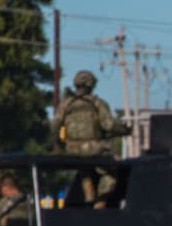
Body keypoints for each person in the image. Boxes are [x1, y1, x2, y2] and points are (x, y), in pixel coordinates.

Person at [49, 69, 130, 205]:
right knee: (110, 172)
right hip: (94, 149)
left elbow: (54, 126)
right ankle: (100, 202)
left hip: (72, 150)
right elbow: (108, 125)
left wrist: (59, 145)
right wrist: (124, 130)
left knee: (84, 170)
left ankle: (88, 195)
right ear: (91, 85)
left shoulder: (66, 104)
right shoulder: (97, 103)